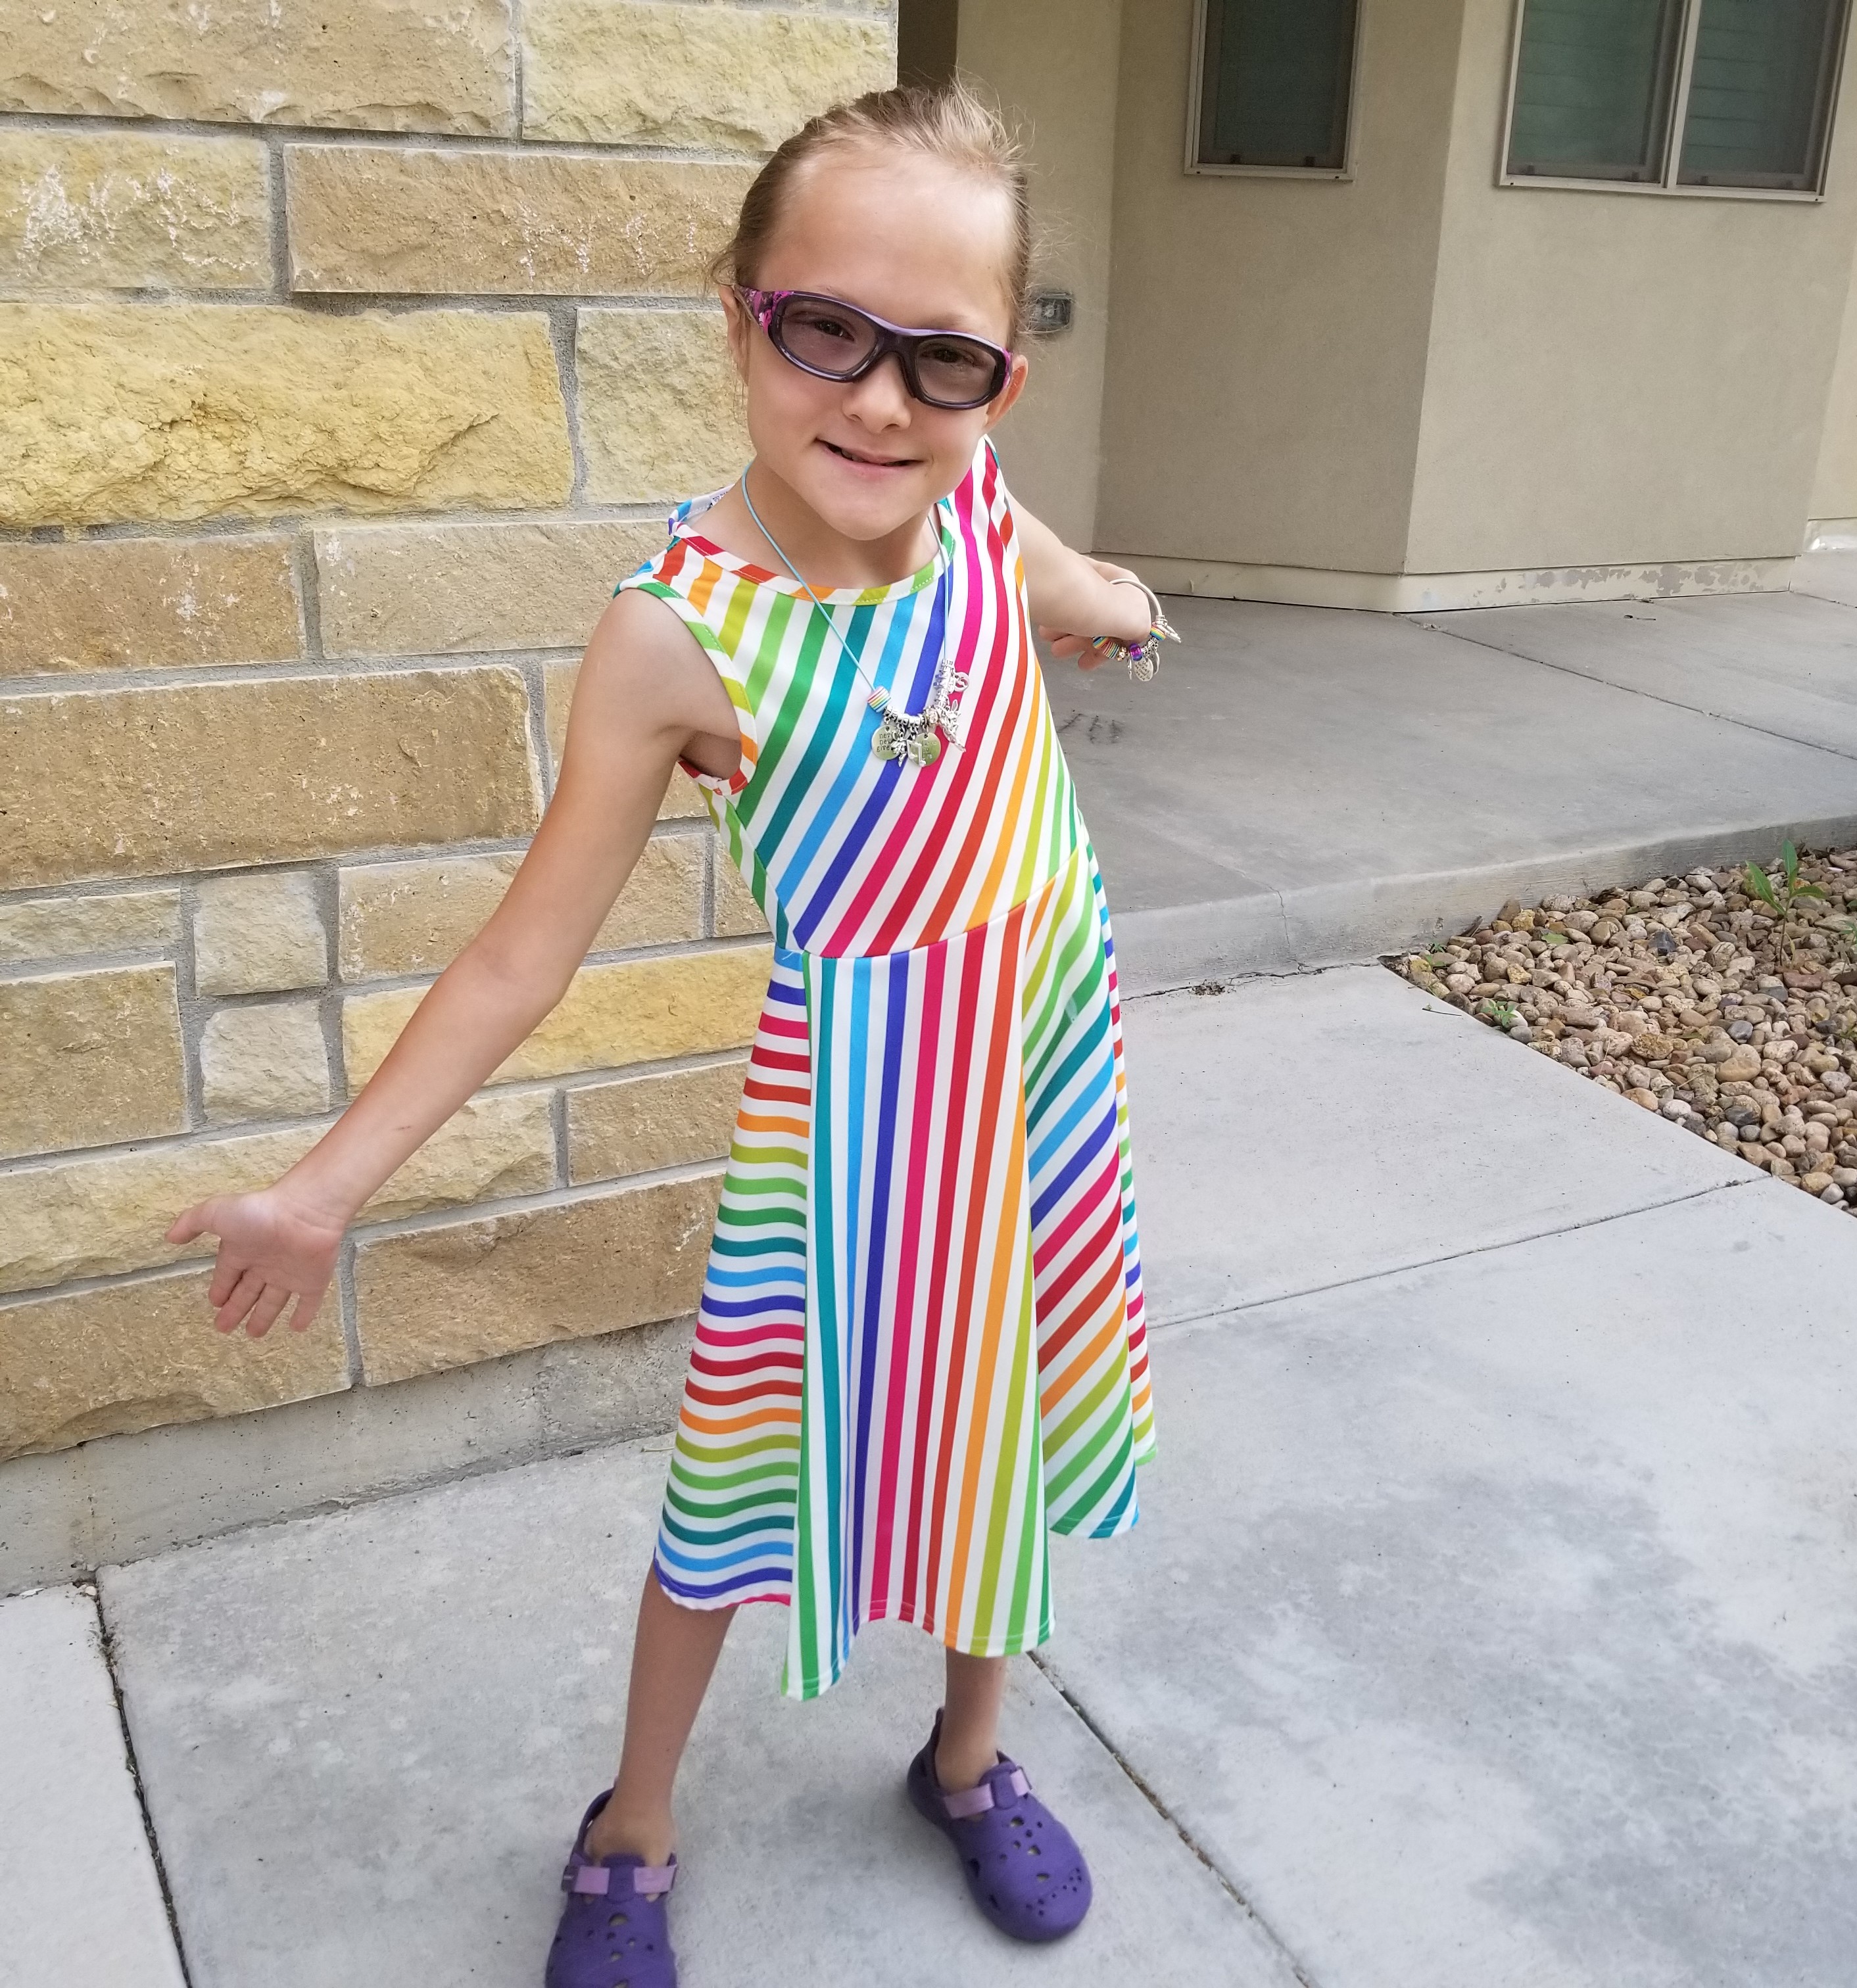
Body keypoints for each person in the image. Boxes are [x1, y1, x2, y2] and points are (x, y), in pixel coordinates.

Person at [169, 82, 1170, 1987]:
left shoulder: (971, 506)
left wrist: (1123, 611)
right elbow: (516, 962)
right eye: (828, 334)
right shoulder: (677, 633)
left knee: (1009, 1431)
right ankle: (631, 1829)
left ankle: (966, 1758)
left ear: (993, 392)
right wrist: (322, 1191)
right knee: (739, 1478)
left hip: (1036, 1078)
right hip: (856, 1119)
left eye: (939, 360)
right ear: (741, 312)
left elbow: (1066, 590)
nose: (878, 401)